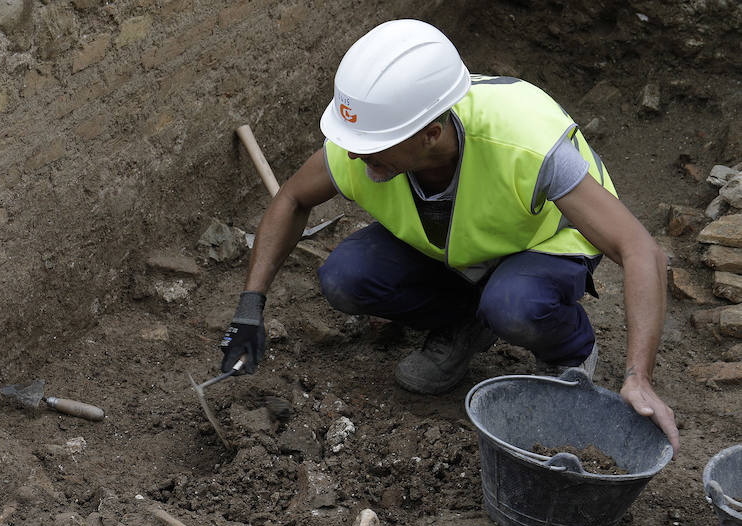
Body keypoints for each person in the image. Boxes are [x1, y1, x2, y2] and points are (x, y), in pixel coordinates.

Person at [219, 19, 679, 450]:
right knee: (345, 276)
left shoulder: (523, 139)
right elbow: (291, 200)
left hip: (540, 246)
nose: (355, 157)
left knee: (516, 306)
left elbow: (641, 249)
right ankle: (463, 323)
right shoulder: (364, 141)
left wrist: (639, 374)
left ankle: (568, 352)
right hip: (456, 244)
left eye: (373, 150)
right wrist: (250, 306)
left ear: (432, 134)